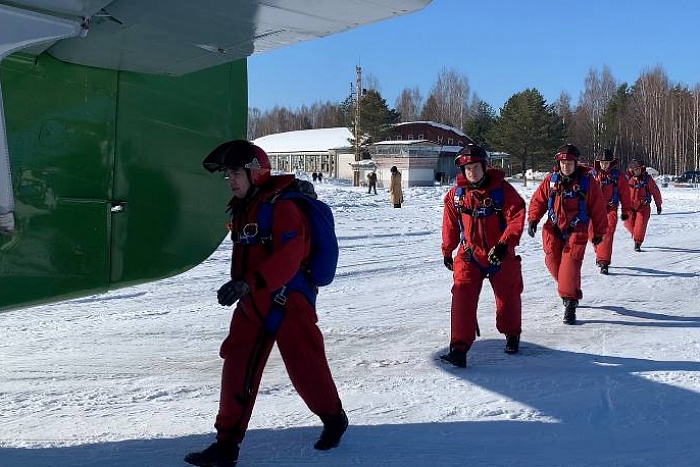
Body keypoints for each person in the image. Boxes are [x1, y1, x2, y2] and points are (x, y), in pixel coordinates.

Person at [185, 140, 347, 467]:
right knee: (236, 367)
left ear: (255, 173)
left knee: (306, 369)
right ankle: (226, 444)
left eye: (235, 173)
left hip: (289, 301)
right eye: (227, 175)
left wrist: (249, 282)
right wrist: (244, 286)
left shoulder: (282, 206)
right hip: (251, 301)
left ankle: (334, 418)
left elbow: (291, 256)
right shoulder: (243, 205)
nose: (230, 180)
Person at [440, 144, 526, 367]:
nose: (472, 172)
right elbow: (449, 225)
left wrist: (504, 245)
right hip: (470, 255)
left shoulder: (502, 191)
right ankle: (458, 348)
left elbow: (516, 216)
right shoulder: (456, 196)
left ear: (485, 167)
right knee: (462, 297)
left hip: (499, 254)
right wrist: (447, 250)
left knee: (508, 298)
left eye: (476, 167)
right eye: (468, 168)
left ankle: (512, 334)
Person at [527, 144, 607, 325]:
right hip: (553, 228)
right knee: (553, 262)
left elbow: (599, 208)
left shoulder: (587, 182)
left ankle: (570, 304)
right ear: (558, 163)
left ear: (576, 163)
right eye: (563, 163)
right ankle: (569, 288)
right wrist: (533, 219)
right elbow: (538, 201)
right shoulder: (551, 181)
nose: (566, 166)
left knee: (570, 264)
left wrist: (599, 232)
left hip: (577, 230)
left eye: (570, 163)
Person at [588, 149, 632, 274]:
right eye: (602, 163)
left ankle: (604, 262)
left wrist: (625, 210)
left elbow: (625, 194)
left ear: (611, 163)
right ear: (598, 162)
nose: (604, 165)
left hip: (610, 209)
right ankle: (600, 252)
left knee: (606, 233)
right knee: (591, 233)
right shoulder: (591, 175)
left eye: (607, 163)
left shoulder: (618, 176)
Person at [624, 159, 662, 252]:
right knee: (628, 223)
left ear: (642, 169)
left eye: (638, 169)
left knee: (640, 225)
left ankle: (637, 243)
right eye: (634, 170)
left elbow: (655, 192)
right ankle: (636, 234)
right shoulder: (628, 179)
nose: (636, 171)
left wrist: (658, 205)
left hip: (643, 206)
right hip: (630, 206)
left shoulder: (647, 179)